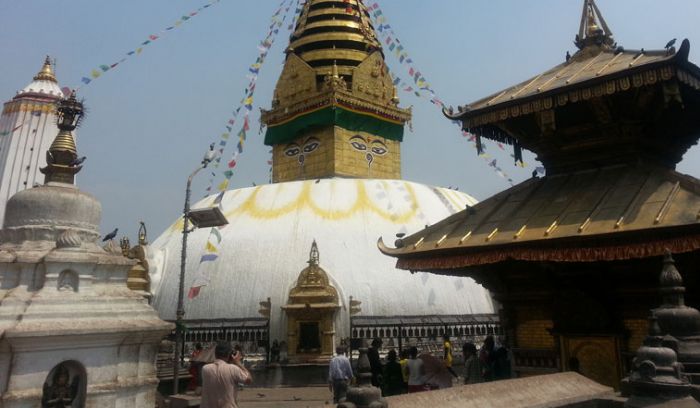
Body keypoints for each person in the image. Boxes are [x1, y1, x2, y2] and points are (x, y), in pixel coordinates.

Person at [201, 341, 253, 408]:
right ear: (229, 354)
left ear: (215, 354)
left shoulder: (205, 369)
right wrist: (238, 363)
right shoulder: (233, 369)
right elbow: (249, 380)